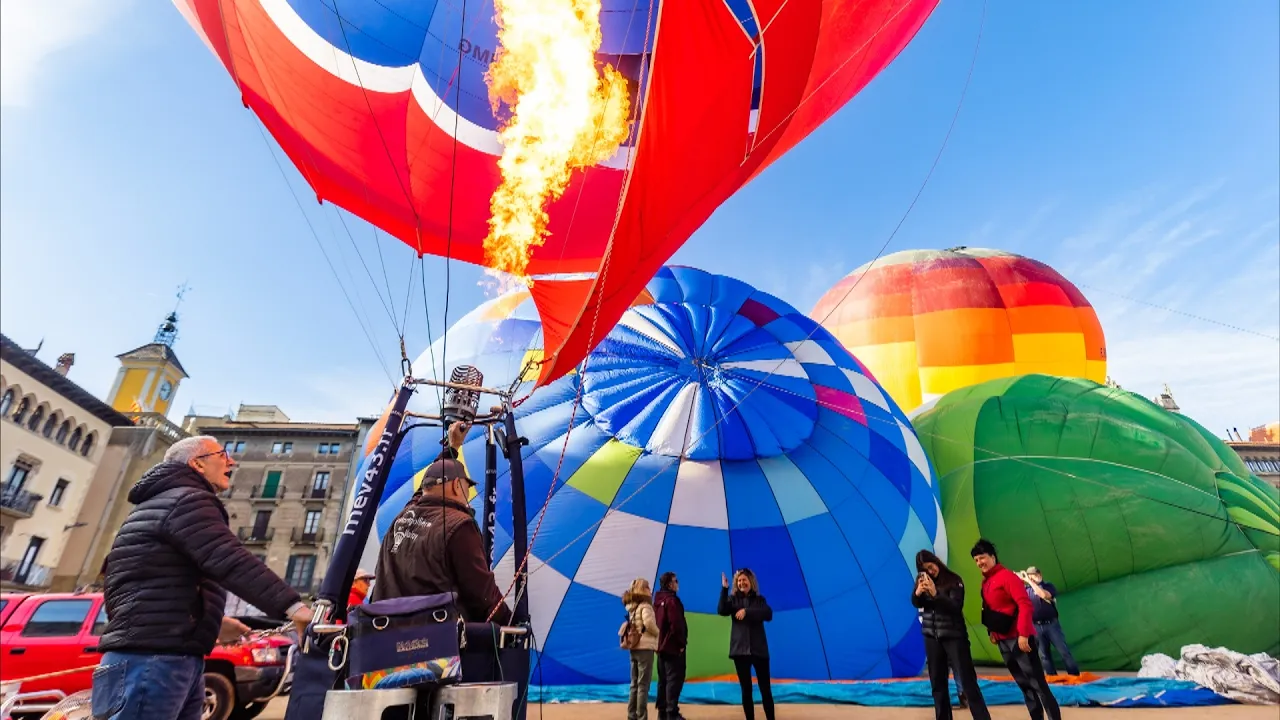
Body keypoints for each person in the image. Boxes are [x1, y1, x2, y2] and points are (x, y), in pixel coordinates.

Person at [93, 436, 314, 720]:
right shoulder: (187, 500)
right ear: (197, 463)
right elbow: (228, 559)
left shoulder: (161, 504)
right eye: (223, 455)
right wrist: (295, 608)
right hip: (155, 662)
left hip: (164, 657)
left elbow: (142, 584)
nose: (231, 462)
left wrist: (208, 622)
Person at [370, 422, 513, 625]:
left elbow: (423, 491)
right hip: (431, 645)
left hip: (385, 634)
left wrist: (452, 448)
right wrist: (510, 624)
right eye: (467, 489)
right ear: (456, 485)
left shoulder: (402, 516)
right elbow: (482, 594)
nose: (468, 496)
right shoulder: (459, 525)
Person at [971, 539, 1061, 720]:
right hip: (1003, 641)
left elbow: (1025, 605)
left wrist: (1023, 634)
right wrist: (992, 633)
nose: (980, 563)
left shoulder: (1007, 577)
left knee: (1038, 685)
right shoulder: (986, 583)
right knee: (1024, 685)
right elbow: (990, 609)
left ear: (993, 557)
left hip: (1020, 640)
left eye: (982, 558)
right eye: (976, 560)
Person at [912, 550, 991, 720]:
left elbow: (955, 607)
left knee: (968, 682)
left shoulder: (954, 580)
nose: (930, 571)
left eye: (931, 567)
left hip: (954, 637)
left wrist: (935, 594)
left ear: (937, 562)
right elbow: (917, 603)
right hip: (931, 637)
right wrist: (917, 592)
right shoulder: (924, 581)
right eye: (926, 570)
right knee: (937, 684)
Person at [718, 569, 774, 720]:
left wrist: (747, 611)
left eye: (745, 580)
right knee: (746, 690)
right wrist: (724, 589)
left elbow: (768, 614)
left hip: (759, 651)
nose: (742, 583)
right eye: (739, 581)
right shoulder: (732, 599)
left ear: (751, 582)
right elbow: (722, 610)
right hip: (740, 652)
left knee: (765, 689)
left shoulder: (760, 600)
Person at [1021, 567, 1079, 676]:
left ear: (1040, 574)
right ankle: (1052, 678)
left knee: (1064, 651)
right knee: (1044, 655)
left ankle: (1074, 677)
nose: (1033, 576)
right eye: (1030, 575)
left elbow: (1043, 595)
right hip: (1036, 626)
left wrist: (1029, 582)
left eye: (1035, 574)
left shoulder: (1048, 586)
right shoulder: (1026, 590)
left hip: (1051, 625)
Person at [622, 577, 660, 720]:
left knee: (634, 684)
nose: (650, 590)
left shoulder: (632, 607)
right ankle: (642, 716)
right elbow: (649, 623)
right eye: (648, 587)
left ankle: (631, 715)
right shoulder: (645, 606)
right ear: (643, 589)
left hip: (634, 648)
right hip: (645, 648)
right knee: (643, 685)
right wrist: (658, 633)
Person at [653, 571, 688, 720]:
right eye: (676, 581)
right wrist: (681, 643)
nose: (677, 583)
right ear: (669, 584)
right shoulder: (672, 601)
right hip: (673, 648)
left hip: (661, 648)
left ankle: (662, 712)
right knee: (674, 679)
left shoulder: (658, 601)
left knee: (663, 681)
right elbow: (676, 625)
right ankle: (671, 713)